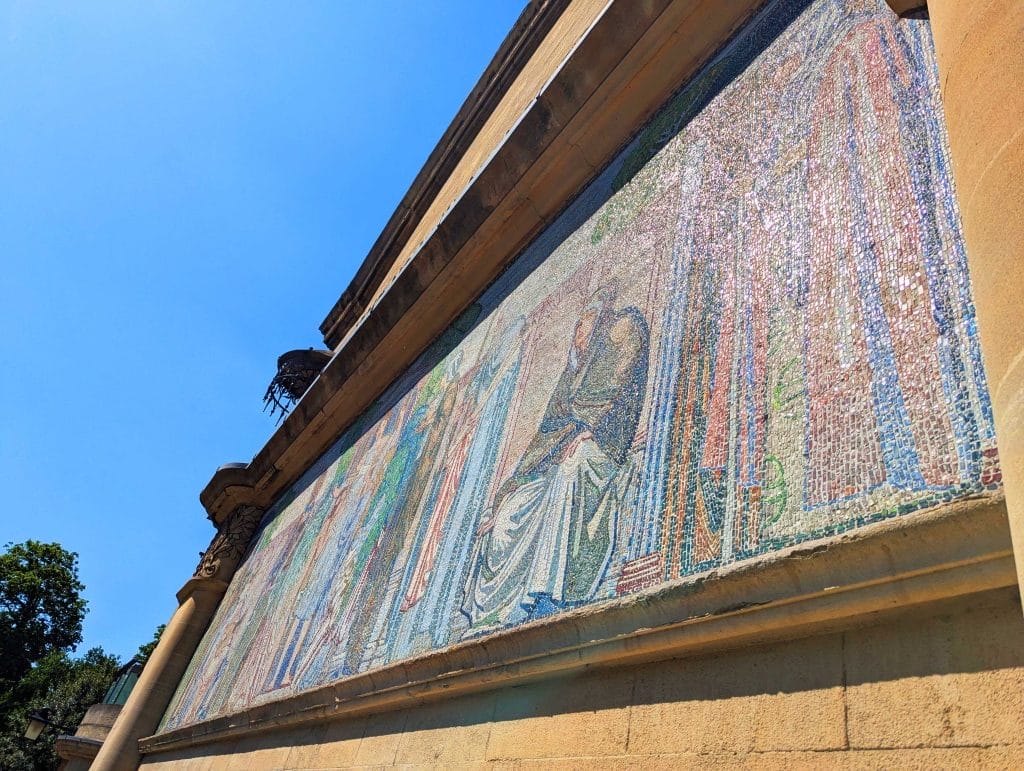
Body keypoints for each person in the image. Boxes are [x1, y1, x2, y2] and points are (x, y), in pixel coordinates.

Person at [461, 288, 649, 633]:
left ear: (598, 327)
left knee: (571, 467)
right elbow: (546, 435)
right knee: (513, 509)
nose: (577, 335)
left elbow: (616, 401)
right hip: (562, 456)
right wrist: (504, 494)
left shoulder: (623, 333)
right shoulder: (571, 373)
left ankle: (546, 592)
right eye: (576, 326)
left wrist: (589, 431)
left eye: (584, 327)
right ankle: (496, 609)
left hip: (602, 450)